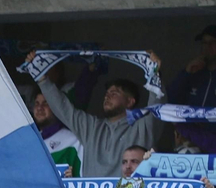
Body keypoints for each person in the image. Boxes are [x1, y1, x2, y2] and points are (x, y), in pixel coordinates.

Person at [30, 50, 166, 177]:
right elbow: (63, 108)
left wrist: (155, 74)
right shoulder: (92, 127)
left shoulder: (142, 128)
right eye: (107, 93)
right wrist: (42, 79)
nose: (107, 96)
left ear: (130, 102)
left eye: (114, 93)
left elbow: (156, 108)